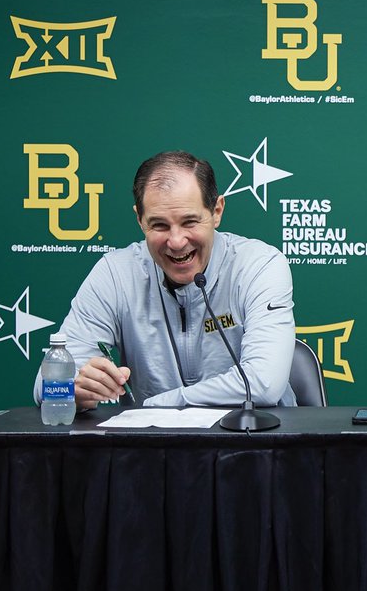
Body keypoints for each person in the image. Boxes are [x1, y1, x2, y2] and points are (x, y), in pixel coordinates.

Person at [33, 151, 297, 408]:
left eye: (190, 222)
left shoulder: (259, 265)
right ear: (139, 219)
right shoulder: (114, 274)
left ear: (217, 211)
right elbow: (46, 385)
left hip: (257, 445)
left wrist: (164, 402)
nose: (176, 241)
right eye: (159, 225)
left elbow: (263, 384)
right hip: (154, 448)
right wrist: (74, 389)